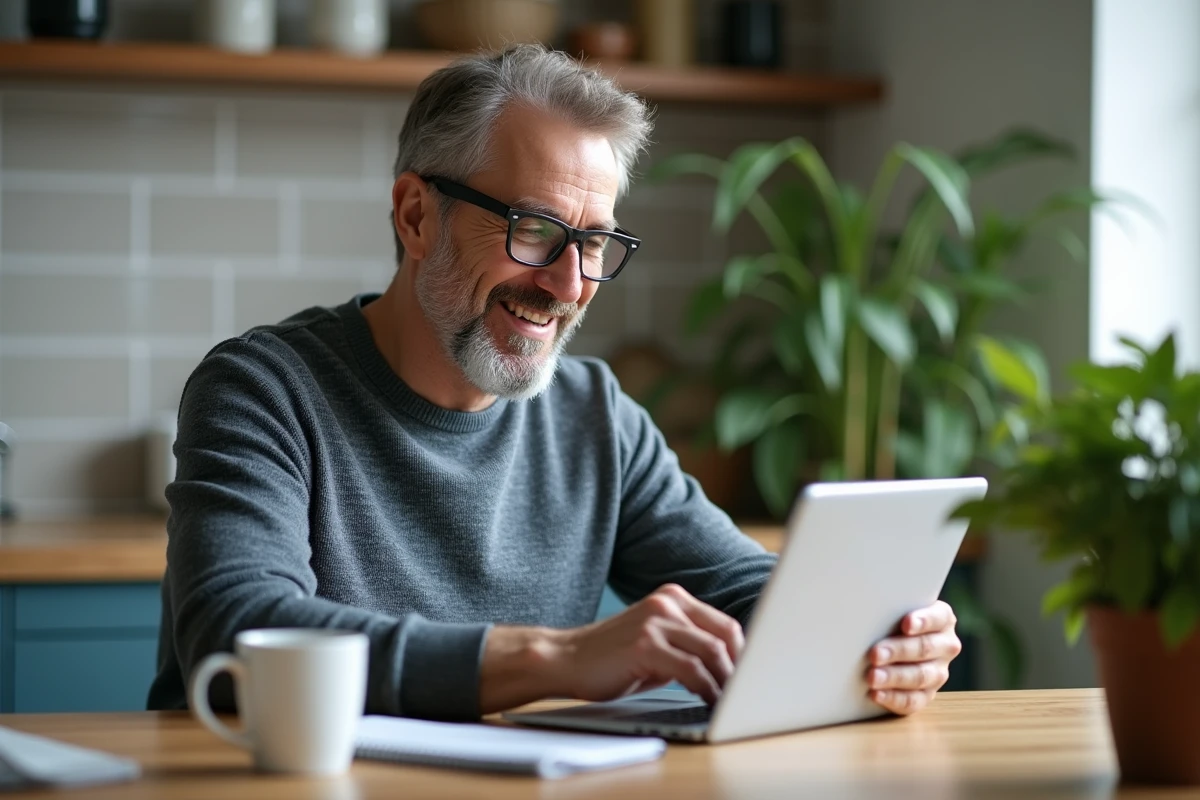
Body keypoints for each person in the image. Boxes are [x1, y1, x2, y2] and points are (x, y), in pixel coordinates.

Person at [148, 45, 961, 721]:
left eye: (596, 243)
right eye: (534, 231)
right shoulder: (261, 389)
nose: (570, 284)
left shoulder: (593, 415)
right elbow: (241, 634)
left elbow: (745, 591)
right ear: (415, 216)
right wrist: (559, 656)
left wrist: (883, 636)